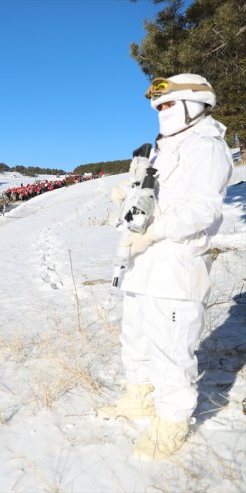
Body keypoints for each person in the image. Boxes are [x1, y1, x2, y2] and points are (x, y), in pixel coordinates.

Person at [99, 74, 233, 460]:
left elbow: (202, 210)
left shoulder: (206, 146)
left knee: (171, 348)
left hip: (177, 263)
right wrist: (129, 198)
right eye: (157, 106)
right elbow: (155, 196)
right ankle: (139, 398)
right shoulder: (164, 147)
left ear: (195, 103)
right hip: (142, 262)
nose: (161, 111)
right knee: (136, 338)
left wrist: (155, 230)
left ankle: (172, 422)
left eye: (168, 104)